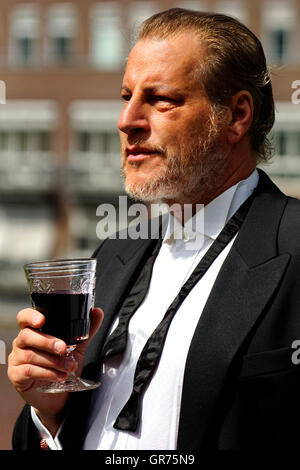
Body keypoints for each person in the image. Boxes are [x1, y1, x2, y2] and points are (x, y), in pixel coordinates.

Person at [8, 8, 300, 450]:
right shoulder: (111, 254)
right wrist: (48, 413)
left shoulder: (294, 249)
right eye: (125, 96)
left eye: (161, 99)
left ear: (237, 116)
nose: (127, 120)